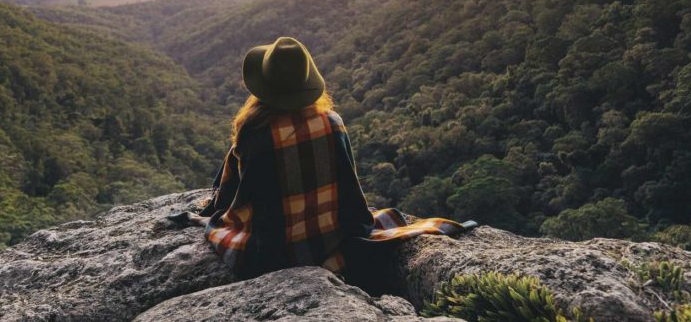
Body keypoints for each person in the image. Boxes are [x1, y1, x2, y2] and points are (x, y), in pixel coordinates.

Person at [179, 36, 474, 287]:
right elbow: (349, 191)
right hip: (331, 242)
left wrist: (214, 213)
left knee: (218, 221)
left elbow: (235, 202)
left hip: (270, 253)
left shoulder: (254, 134)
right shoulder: (332, 123)